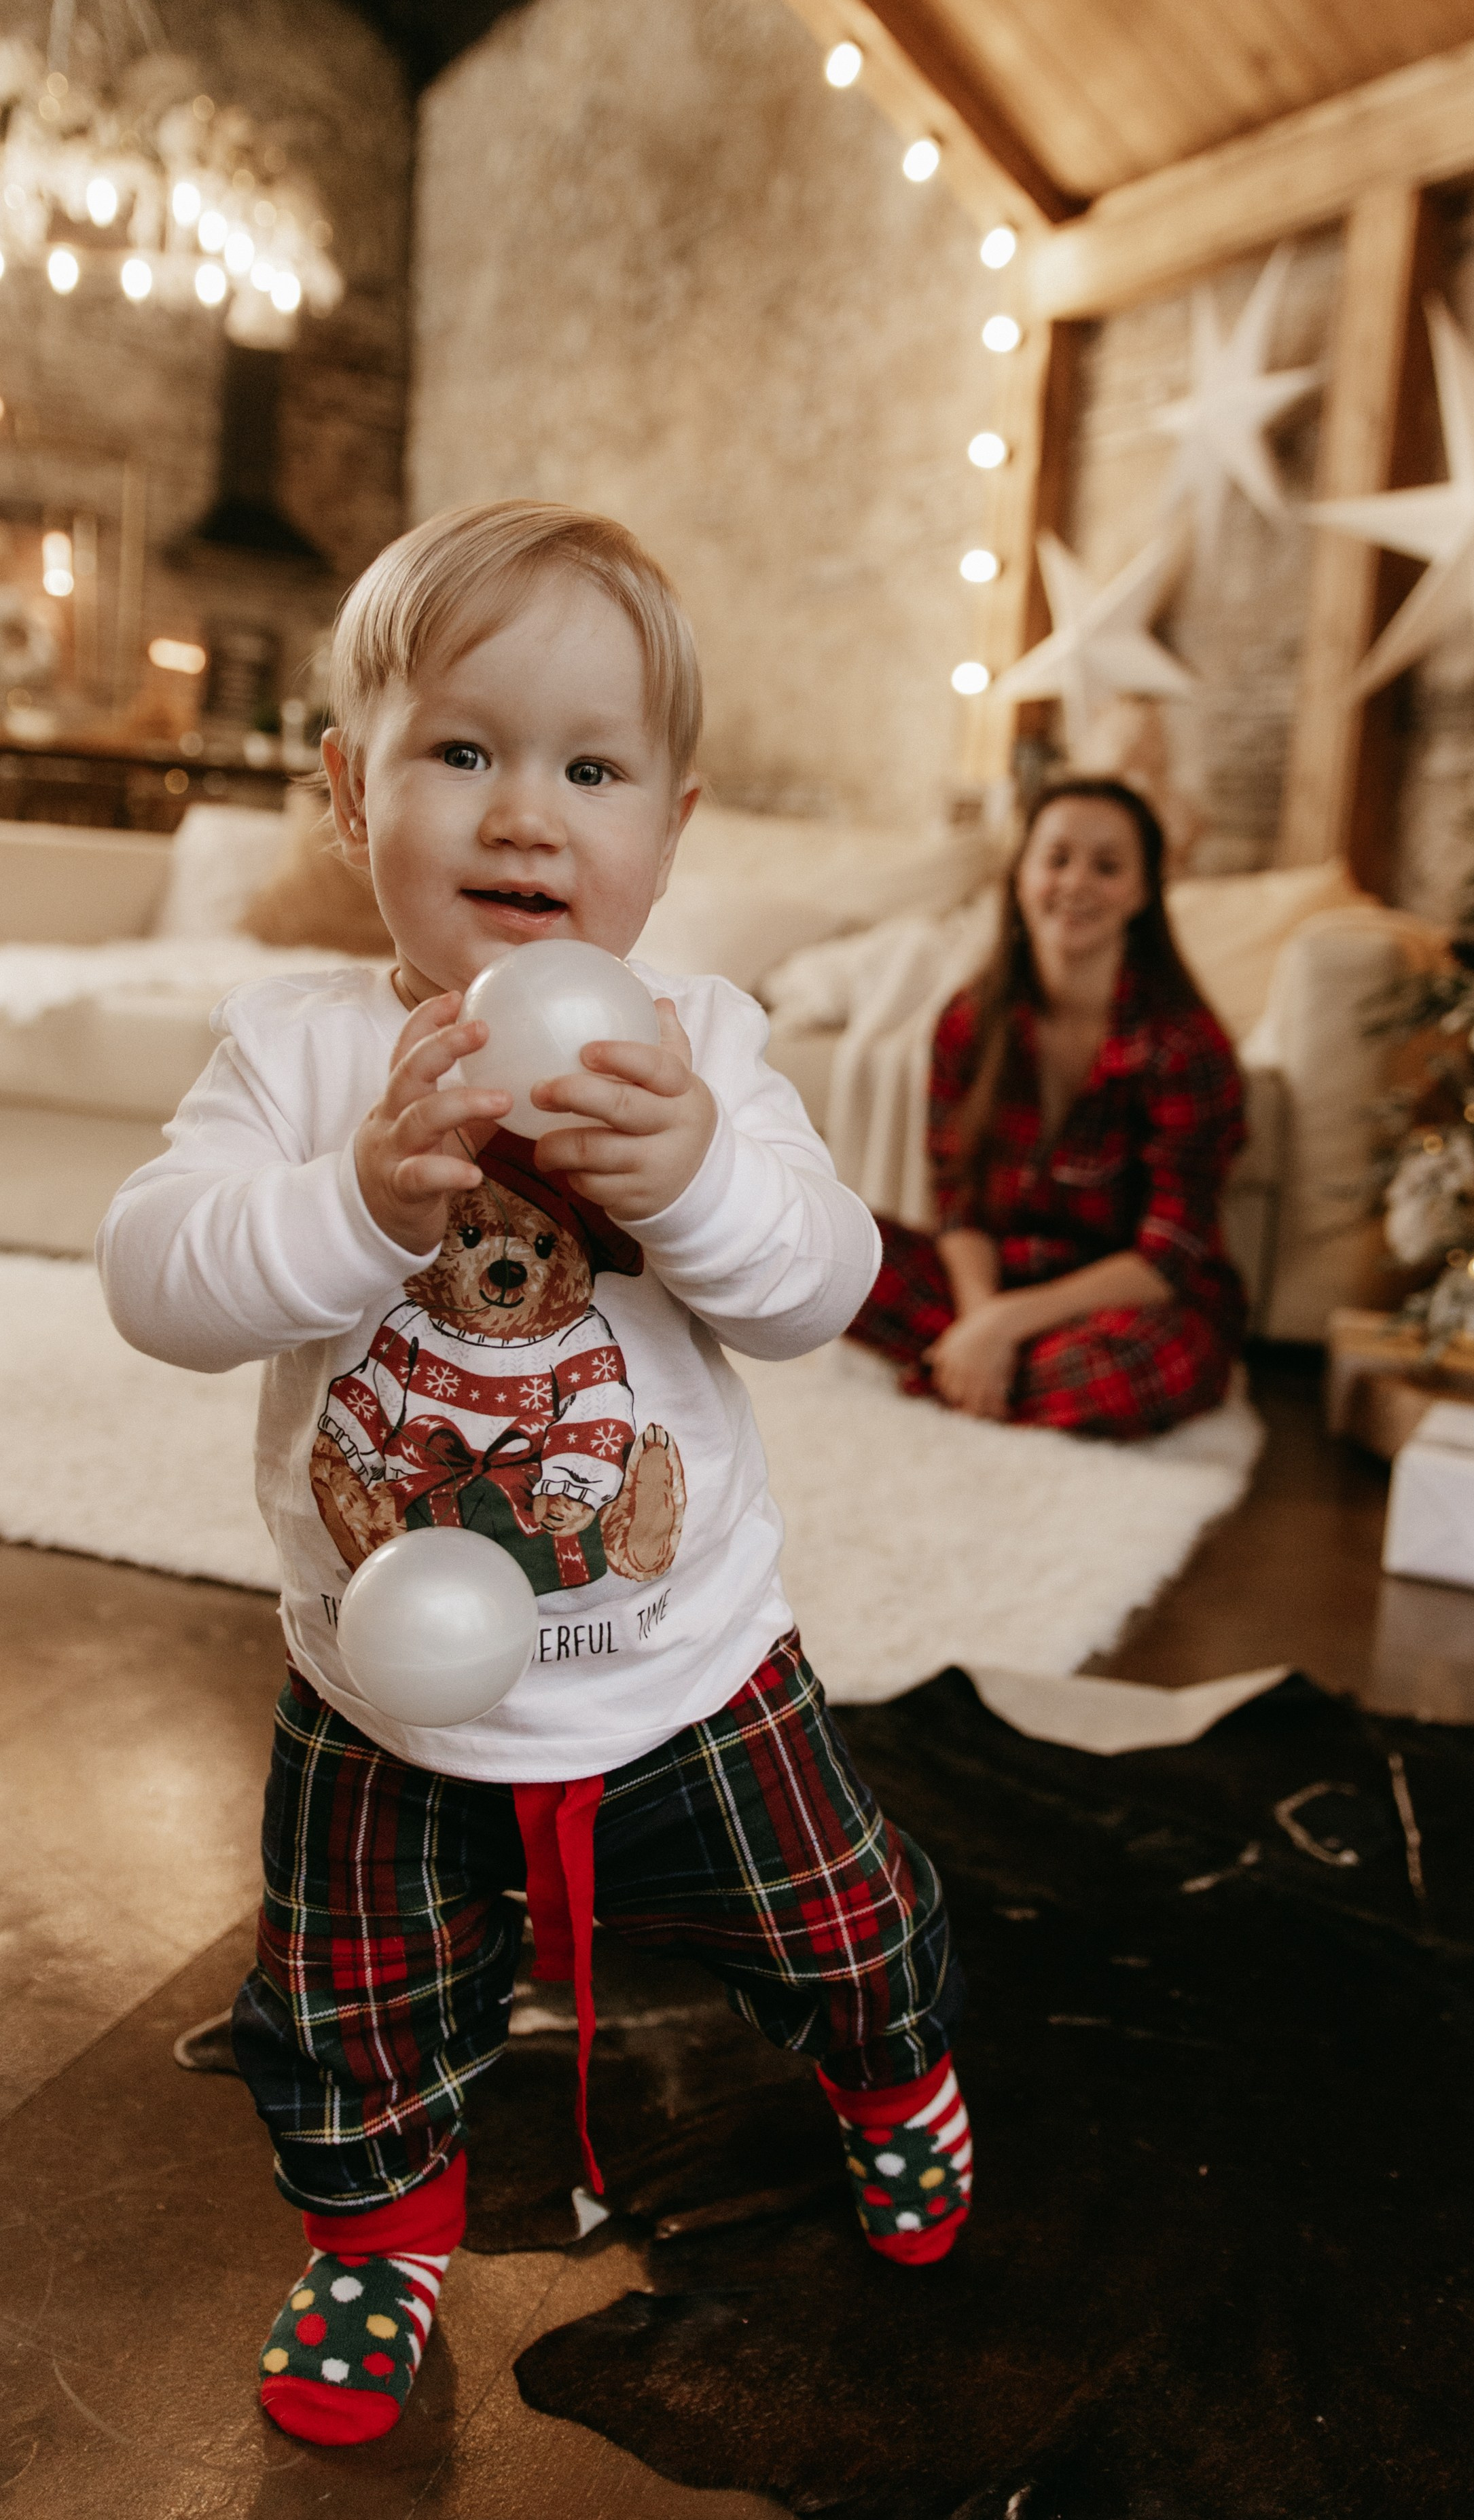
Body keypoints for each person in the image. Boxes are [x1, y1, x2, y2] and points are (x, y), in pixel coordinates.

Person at [97, 502, 970, 2450]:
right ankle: (383, 2232)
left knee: (832, 1914)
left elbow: (826, 1282)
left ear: (672, 825)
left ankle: (892, 2070)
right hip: (378, 1683)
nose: (525, 815)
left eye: (590, 767)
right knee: (346, 1994)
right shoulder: (303, 1055)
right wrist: (345, 1204)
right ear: (349, 792)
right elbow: (156, 1275)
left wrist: (699, 1182)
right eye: (462, 750)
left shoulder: (705, 1049)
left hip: (685, 1657)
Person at [847, 776, 1246, 1438]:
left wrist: (1004, 1326)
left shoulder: (1185, 1047)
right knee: (836, 1253)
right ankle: (987, 1370)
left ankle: (955, 1373)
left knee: (1140, 1368)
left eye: (1107, 866)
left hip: (1129, 1299)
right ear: (1021, 876)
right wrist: (983, 1318)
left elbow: (1164, 1258)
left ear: (1142, 892)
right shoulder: (966, 1023)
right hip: (997, 1278)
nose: (1076, 883)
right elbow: (959, 1208)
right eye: (1055, 859)